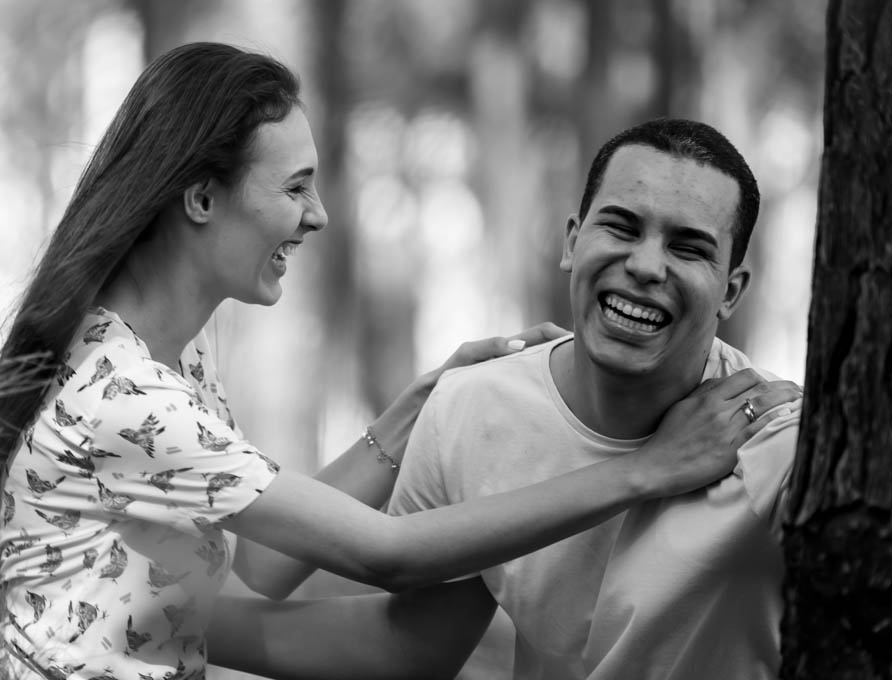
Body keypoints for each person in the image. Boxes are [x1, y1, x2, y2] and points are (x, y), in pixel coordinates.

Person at [0, 43, 798, 680]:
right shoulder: (126, 397)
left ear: (732, 285)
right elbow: (388, 557)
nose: (318, 216)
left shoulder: (168, 360)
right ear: (201, 198)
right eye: (294, 188)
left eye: (686, 247)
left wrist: (412, 413)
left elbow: (248, 571)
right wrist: (645, 470)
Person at [204, 118, 803, 680]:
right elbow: (410, 644)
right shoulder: (473, 408)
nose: (646, 265)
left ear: (732, 290)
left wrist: (150, 617)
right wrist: (154, 622)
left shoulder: (777, 447)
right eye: (621, 226)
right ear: (573, 241)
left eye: (689, 248)